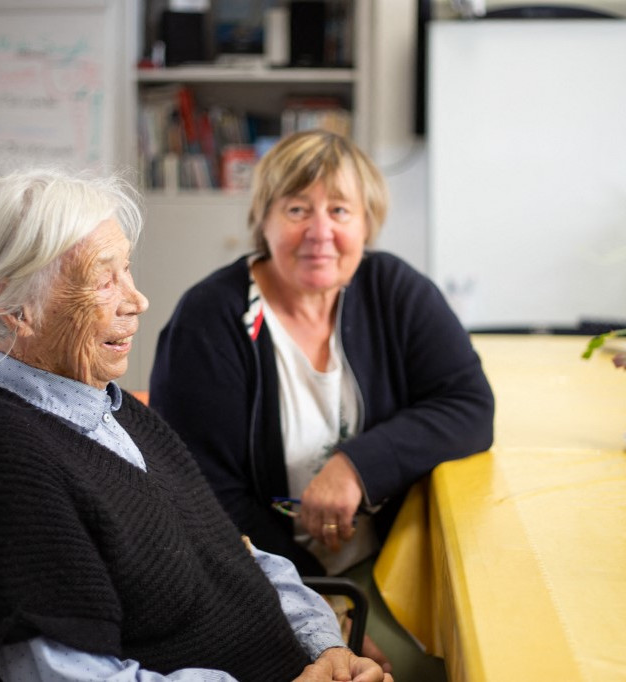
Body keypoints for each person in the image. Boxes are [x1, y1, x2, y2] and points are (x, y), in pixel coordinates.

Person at [0, 168, 391, 682]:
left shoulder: (114, 410)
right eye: (103, 278)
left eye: (128, 270)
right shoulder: (0, 467)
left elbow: (240, 557)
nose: (137, 301)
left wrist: (326, 650)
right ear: (13, 308)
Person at [148, 131, 495, 675]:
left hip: (388, 568)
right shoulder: (208, 321)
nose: (320, 232)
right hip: (257, 582)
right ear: (262, 221)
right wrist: (324, 613)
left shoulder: (393, 290)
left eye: (339, 209)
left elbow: (470, 405)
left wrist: (356, 467)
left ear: (367, 222)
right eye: (296, 209)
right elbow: (205, 500)